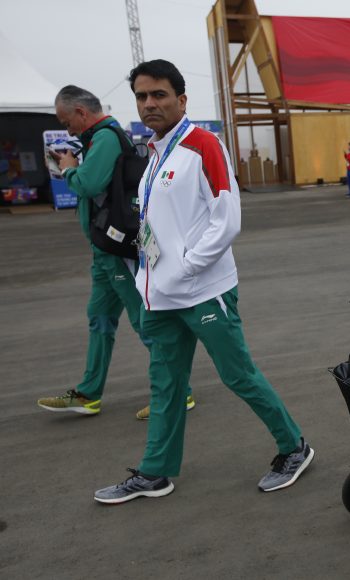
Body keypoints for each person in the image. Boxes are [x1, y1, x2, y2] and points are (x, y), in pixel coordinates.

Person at [93, 60, 313, 504]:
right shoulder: (155, 153)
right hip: (158, 296)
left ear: (181, 99)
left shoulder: (203, 144)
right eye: (141, 96)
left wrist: (189, 265)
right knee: (166, 384)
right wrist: (151, 276)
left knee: (238, 376)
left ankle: (294, 447)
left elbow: (226, 219)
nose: (149, 104)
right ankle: (155, 472)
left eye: (159, 95)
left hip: (203, 291)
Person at [37, 85, 194, 420]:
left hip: (115, 248)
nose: (68, 129)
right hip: (103, 250)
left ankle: (178, 393)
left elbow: (88, 184)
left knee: (146, 322)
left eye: (67, 122)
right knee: (100, 319)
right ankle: (88, 393)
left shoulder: (106, 137)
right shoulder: (97, 139)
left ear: (81, 113)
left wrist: (68, 168)